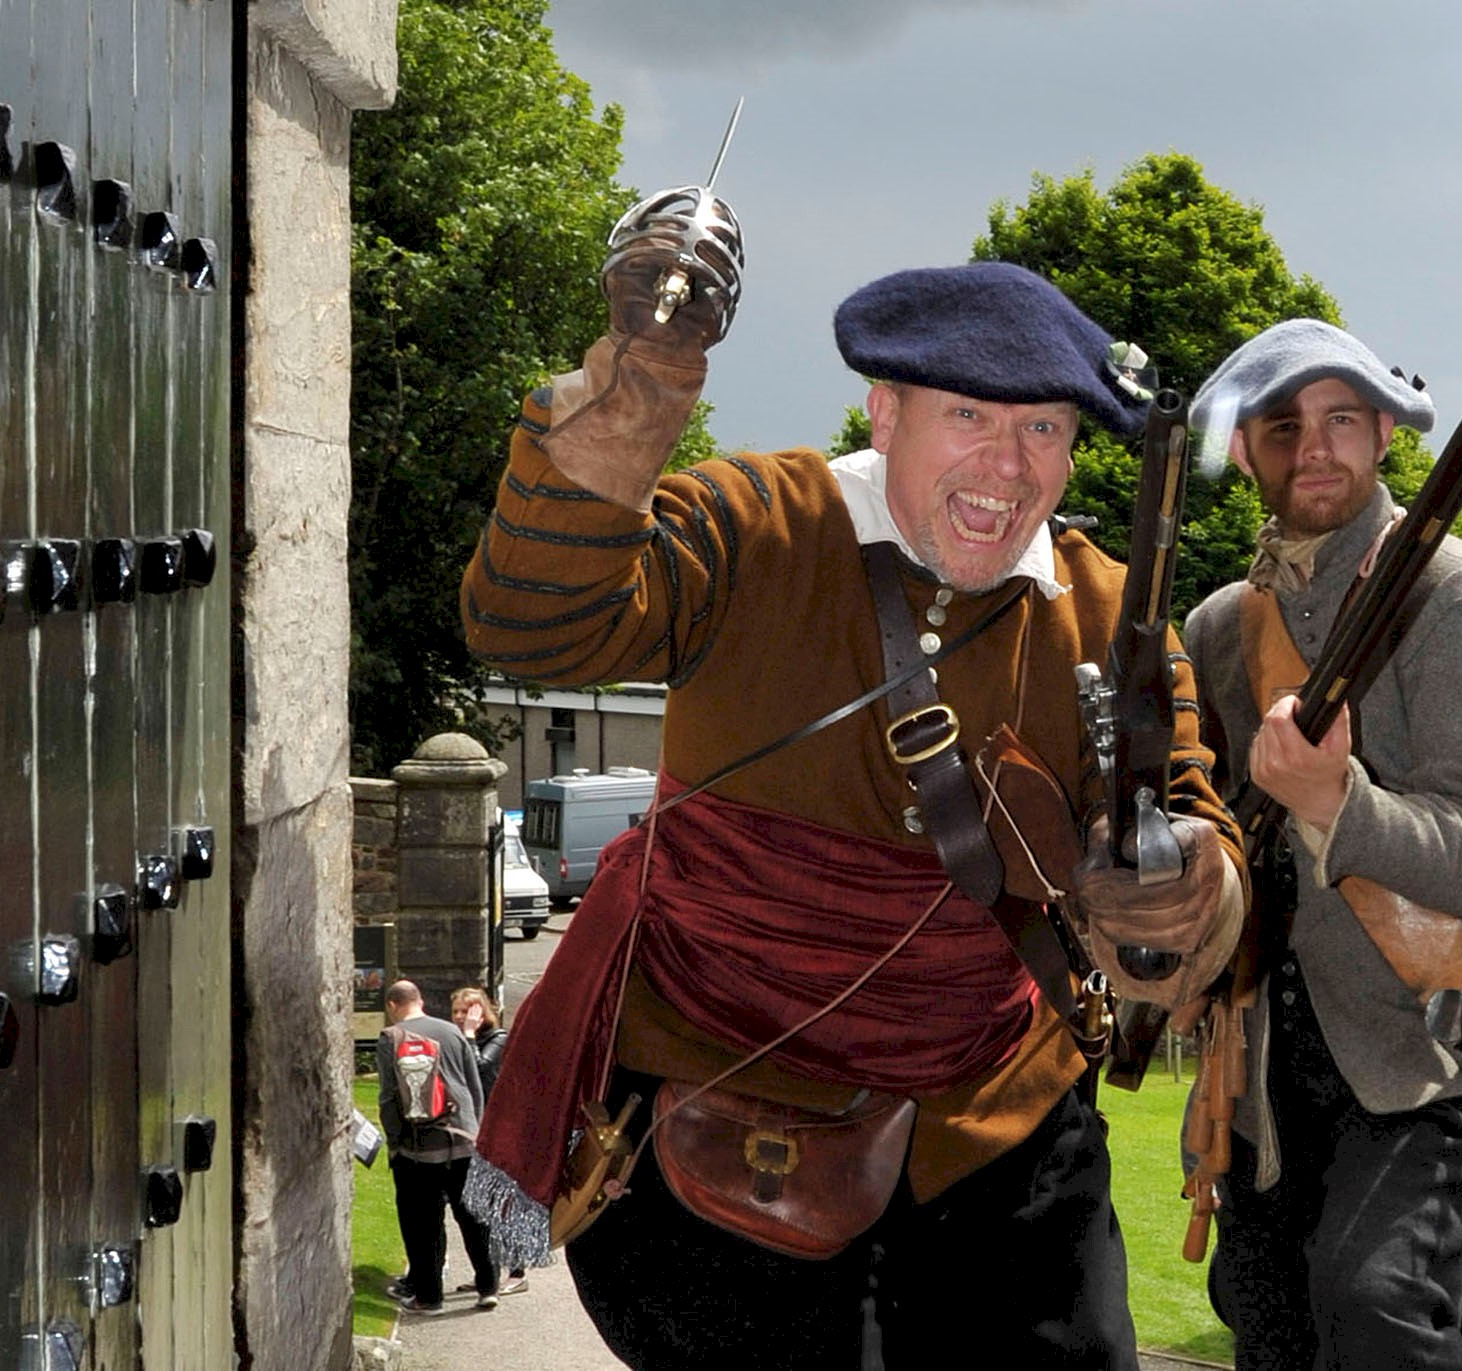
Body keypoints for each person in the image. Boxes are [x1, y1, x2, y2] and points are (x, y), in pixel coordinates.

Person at [457, 226, 1243, 1368]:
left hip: (996, 1123)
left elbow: (1189, 809)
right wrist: (644, 380)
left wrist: (1184, 890)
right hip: (722, 1090)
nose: (1007, 464)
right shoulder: (752, 522)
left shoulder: (1112, 614)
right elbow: (529, 622)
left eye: (1043, 429)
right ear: (884, 414)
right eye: (967, 417)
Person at [1180, 318, 1462, 1370]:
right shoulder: (1218, 630)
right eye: (1282, 424)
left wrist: (1336, 799)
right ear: (1248, 449)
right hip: (1253, 1067)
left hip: (1414, 1053)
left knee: (1374, 1304)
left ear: (1385, 431)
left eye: (1341, 417)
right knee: (1267, 1321)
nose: (1314, 447)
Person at [378, 980, 500, 1313]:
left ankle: (430, 1298)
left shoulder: (392, 1038)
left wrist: (394, 1143)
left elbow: (389, 1098)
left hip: (420, 1147)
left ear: (392, 1006)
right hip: (464, 1140)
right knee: (474, 1217)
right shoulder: (451, 1031)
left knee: (424, 1224)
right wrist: (475, 1130)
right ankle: (488, 1287)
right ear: (420, 1001)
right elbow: (473, 1084)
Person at [449, 987, 529, 1298]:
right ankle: (487, 1272)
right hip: (476, 1130)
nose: (460, 1018)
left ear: (482, 1012)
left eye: (467, 1012)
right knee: (479, 1205)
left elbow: (479, 1071)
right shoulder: (459, 1039)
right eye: (456, 1011)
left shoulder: (498, 1038)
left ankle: (517, 1270)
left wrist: (468, 1034)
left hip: (501, 1130)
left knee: (503, 1201)